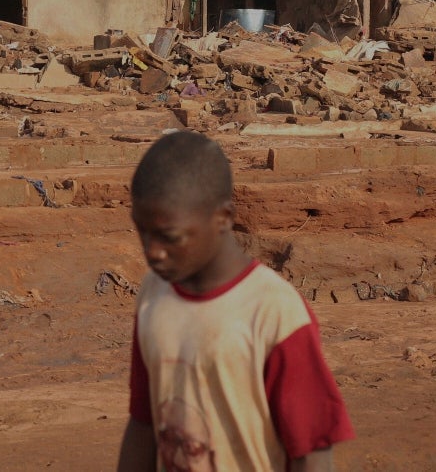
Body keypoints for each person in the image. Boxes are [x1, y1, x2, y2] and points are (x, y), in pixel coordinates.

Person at [117, 131, 353, 472]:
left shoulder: (274, 312)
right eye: (142, 232)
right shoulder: (153, 295)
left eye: (170, 237)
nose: (152, 251)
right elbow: (142, 422)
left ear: (223, 218)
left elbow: (311, 451)